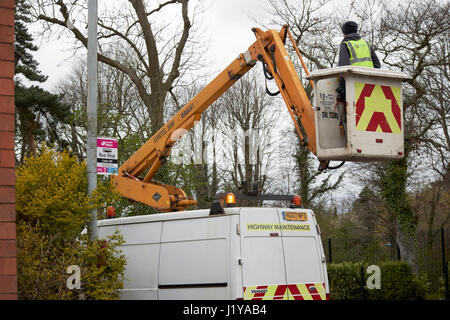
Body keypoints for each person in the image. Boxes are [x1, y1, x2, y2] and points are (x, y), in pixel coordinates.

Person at [336, 21, 380, 101]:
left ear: (344, 32)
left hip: (354, 85)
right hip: (370, 85)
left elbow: (343, 68)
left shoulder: (345, 44)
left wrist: (343, 89)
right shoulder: (366, 43)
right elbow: (377, 65)